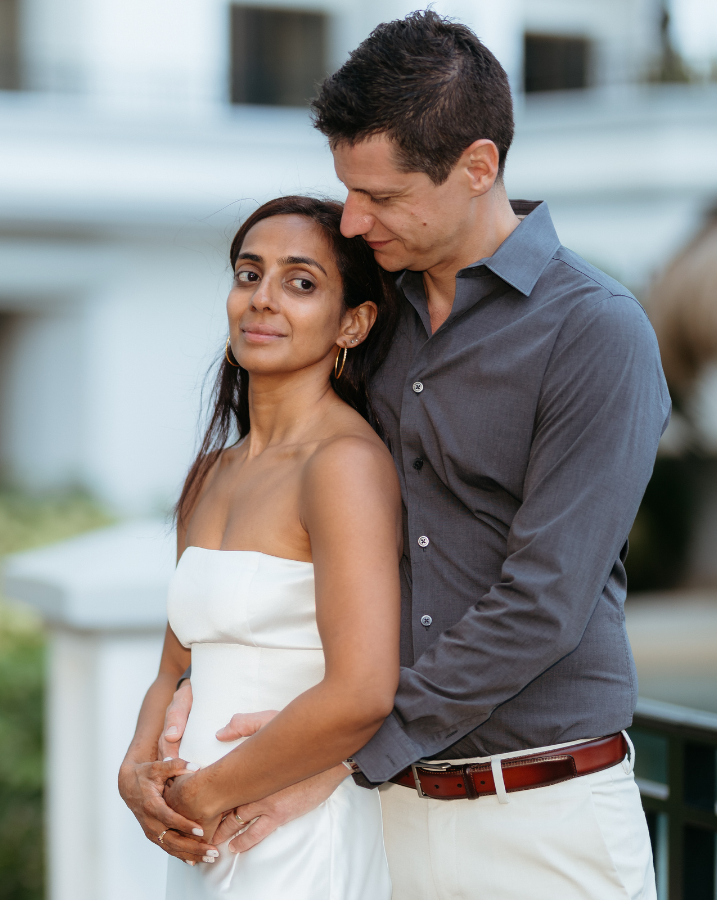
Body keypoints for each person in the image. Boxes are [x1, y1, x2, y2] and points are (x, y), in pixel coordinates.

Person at [121, 11, 669, 900]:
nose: (354, 216)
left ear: (478, 167)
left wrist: (336, 756)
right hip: (380, 818)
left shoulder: (596, 333)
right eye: (348, 189)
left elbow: (544, 602)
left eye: (381, 195)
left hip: (540, 813)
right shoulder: (378, 320)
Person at [118, 194, 403, 898]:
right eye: (249, 275)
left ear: (353, 323)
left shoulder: (343, 465)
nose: (263, 300)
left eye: (300, 283)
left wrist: (211, 792)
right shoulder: (213, 473)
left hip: (292, 830)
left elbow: (361, 692)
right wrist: (135, 774)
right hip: (200, 832)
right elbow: (173, 668)